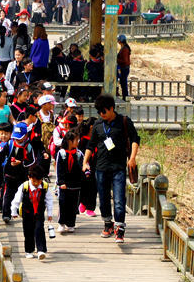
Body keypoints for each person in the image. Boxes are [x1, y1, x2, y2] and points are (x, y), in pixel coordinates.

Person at [83, 94, 140, 244]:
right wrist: (85, 162)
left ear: (112, 108)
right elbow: (91, 145)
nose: (101, 114)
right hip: (101, 167)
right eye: (99, 112)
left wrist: (132, 158)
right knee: (103, 199)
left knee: (119, 199)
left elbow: (135, 139)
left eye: (104, 111)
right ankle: (108, 223)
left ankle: (120, 229)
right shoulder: (98, 125)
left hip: (118, 167)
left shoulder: (124, 122)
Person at [10, 165, 55, 260]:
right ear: (29, 177)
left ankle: (41, 250)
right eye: (34, 181)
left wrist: (50, 213)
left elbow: (49, 201)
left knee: (39, 229)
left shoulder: (44, 187)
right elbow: (16, 199)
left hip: (39, 212)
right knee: (28, 231)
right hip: (27, 213)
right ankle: (29, 250)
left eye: (39, 181)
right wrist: (14, 211)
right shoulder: (24, 187)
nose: (36, 183)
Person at [2, 123, 38, 224]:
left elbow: (32, 161)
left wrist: (21, 163)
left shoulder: (29, 147)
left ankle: (25, 213)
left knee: (24, 195)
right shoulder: (10, 144)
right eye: (16, 137)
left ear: (26, 136)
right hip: (9, 175)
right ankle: (6, 214)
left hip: (22, 176)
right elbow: (1, 155)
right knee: (8, 195)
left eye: (20, 137)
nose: (17, 140)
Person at [56, 131, 83, 234]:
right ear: (69, 141)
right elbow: (59, 169)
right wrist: (60, 182)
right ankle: (61, 223)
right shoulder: (61, 153)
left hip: (76, 185)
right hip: (64, 185)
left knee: (73, 205)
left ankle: (71, 224)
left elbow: (83, 165)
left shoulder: (79, 153)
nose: (78, 141)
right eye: (76, 140)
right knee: (63, 203)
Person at [117, 34, 131, 101]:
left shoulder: (125, 49)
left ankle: (125, 97)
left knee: (124, 83)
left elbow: (125, 61)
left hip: (124, 68)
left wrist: (116, 60)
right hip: (124, 68)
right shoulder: (123, 48)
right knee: (123, 83)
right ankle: (124, 97)